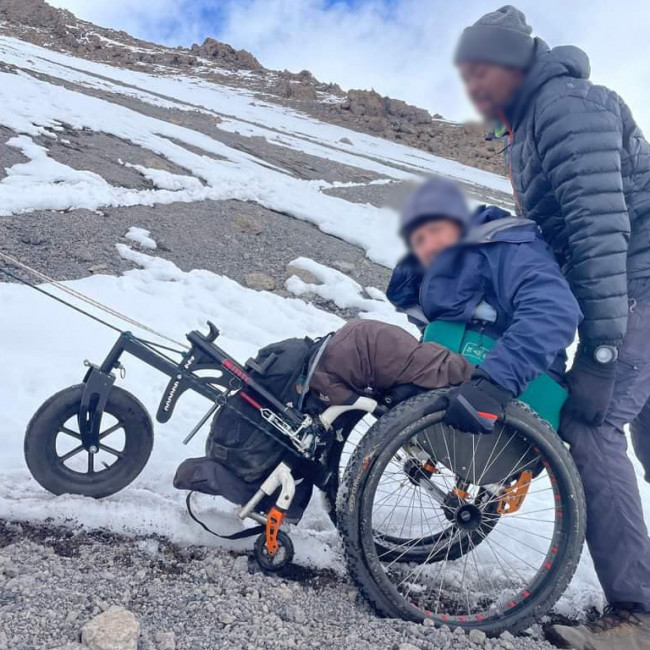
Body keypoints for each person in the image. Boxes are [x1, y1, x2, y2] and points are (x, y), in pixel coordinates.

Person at [454, 6, 650, 647]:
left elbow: (600, 234)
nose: (473, 86)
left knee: (592, 429)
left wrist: (600, 352)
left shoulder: (565, 106)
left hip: (639, 286)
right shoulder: (530, 124)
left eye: (480, 70)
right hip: (630, 288)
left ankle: (638, 618)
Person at [311, 177, 581, 442]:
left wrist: (495, 383)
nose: (425, 244)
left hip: (512, 384)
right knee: (339, 351)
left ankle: (312, 427)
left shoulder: (510, 247)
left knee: (364, 340)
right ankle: (315, 430)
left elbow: (555, 312)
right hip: (474, 368)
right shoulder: (452, 268)